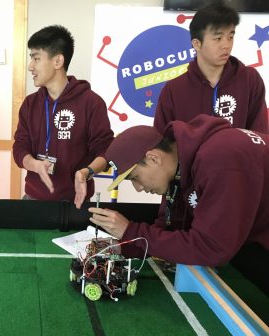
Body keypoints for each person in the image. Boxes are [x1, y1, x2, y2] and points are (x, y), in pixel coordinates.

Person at [88, 114, 269, 275]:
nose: (139, 188)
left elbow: (212, 248)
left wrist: (130, 230)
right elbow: (170, 228)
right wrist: (123, 247)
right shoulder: (181, 164)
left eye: (135, 178)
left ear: (153, 158)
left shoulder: (221, 160)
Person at [12, 25, 114, 209]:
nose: (30, 66)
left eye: (36, 58)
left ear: (58, 61)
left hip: (76, 203)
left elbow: (105, 150)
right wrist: (34, 164)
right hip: (32, 201)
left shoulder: (91, 103)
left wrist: (86, 172)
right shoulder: (30, 104)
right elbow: (20, 146)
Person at [154, 1, 268, 134]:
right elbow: (162, 146)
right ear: (197, 44)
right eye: (218, 38)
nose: (226, 45)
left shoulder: (249, 79)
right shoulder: (173, 90)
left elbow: (260, 138)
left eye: (230, 37)